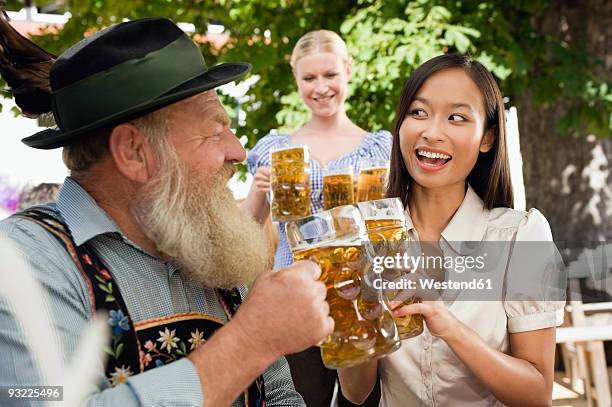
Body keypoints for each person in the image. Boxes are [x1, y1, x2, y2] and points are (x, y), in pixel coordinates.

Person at [0, 16, 334, 406]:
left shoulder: (212, 249)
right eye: (214, 131)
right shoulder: (24, 263)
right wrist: (249, 342)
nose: (238, 153)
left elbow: (277, 396)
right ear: (134, 152)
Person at [338, 53, 565, 406]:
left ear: (487, 137)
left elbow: (537, 395)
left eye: (456, 117)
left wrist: (449, 327)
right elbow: (355, 392)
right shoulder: (367, 237)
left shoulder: (519, 236)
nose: (431, 132)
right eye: (418, 113)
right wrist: (364, 316)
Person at [241, 29, 391, 407]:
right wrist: (260, 189)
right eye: (309, 78)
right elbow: (245, 231)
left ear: (349, 71)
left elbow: (395, 229)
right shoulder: (276, 149)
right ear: (296, 79)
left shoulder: (380, 149)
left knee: (365, 402)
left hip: (362, 297)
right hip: (297, 300)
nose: (321, 87)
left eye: (330, 75)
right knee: (299, 400)